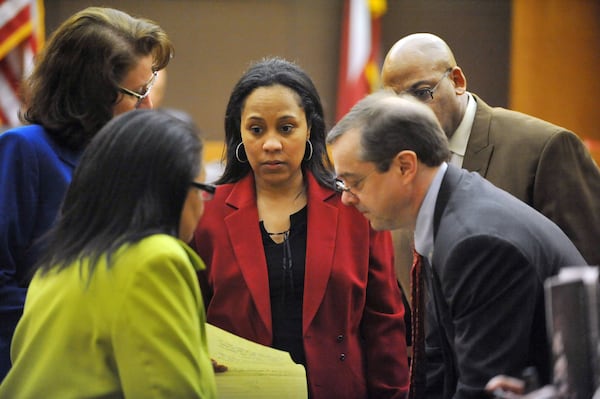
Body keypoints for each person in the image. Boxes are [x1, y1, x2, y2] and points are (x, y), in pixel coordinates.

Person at [326, 91, 587, 398]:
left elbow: (482, 388)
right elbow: (438, 363)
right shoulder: (450, 206)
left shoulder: (476, 243)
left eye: (354, 182)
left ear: (405, 167)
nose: (345, 197)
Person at [192, 57, 409, 398]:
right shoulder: (204, 213)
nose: (272, 144)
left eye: (287, 127)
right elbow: (185, 321)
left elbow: (384, 324)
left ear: (310, 128)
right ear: (239, 133)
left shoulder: (355, 208)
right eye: (256, 129)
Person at [0, 6, 173, 380]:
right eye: (137, 93)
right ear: (92, 93)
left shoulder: (128, 161)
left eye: (151, 87)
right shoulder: (24, 151)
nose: (149, 106)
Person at [0, 109, 218, 398]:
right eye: (203, 189)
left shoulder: (63, 255)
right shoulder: (155, 259)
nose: (203, 206)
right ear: (170, 191)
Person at [380, 33, 600, 274]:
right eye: (396, 102)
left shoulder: (545, 149)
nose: (409, 113)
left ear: (457, 81)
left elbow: (587, 274)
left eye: (421, 93)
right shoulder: (398, 164)